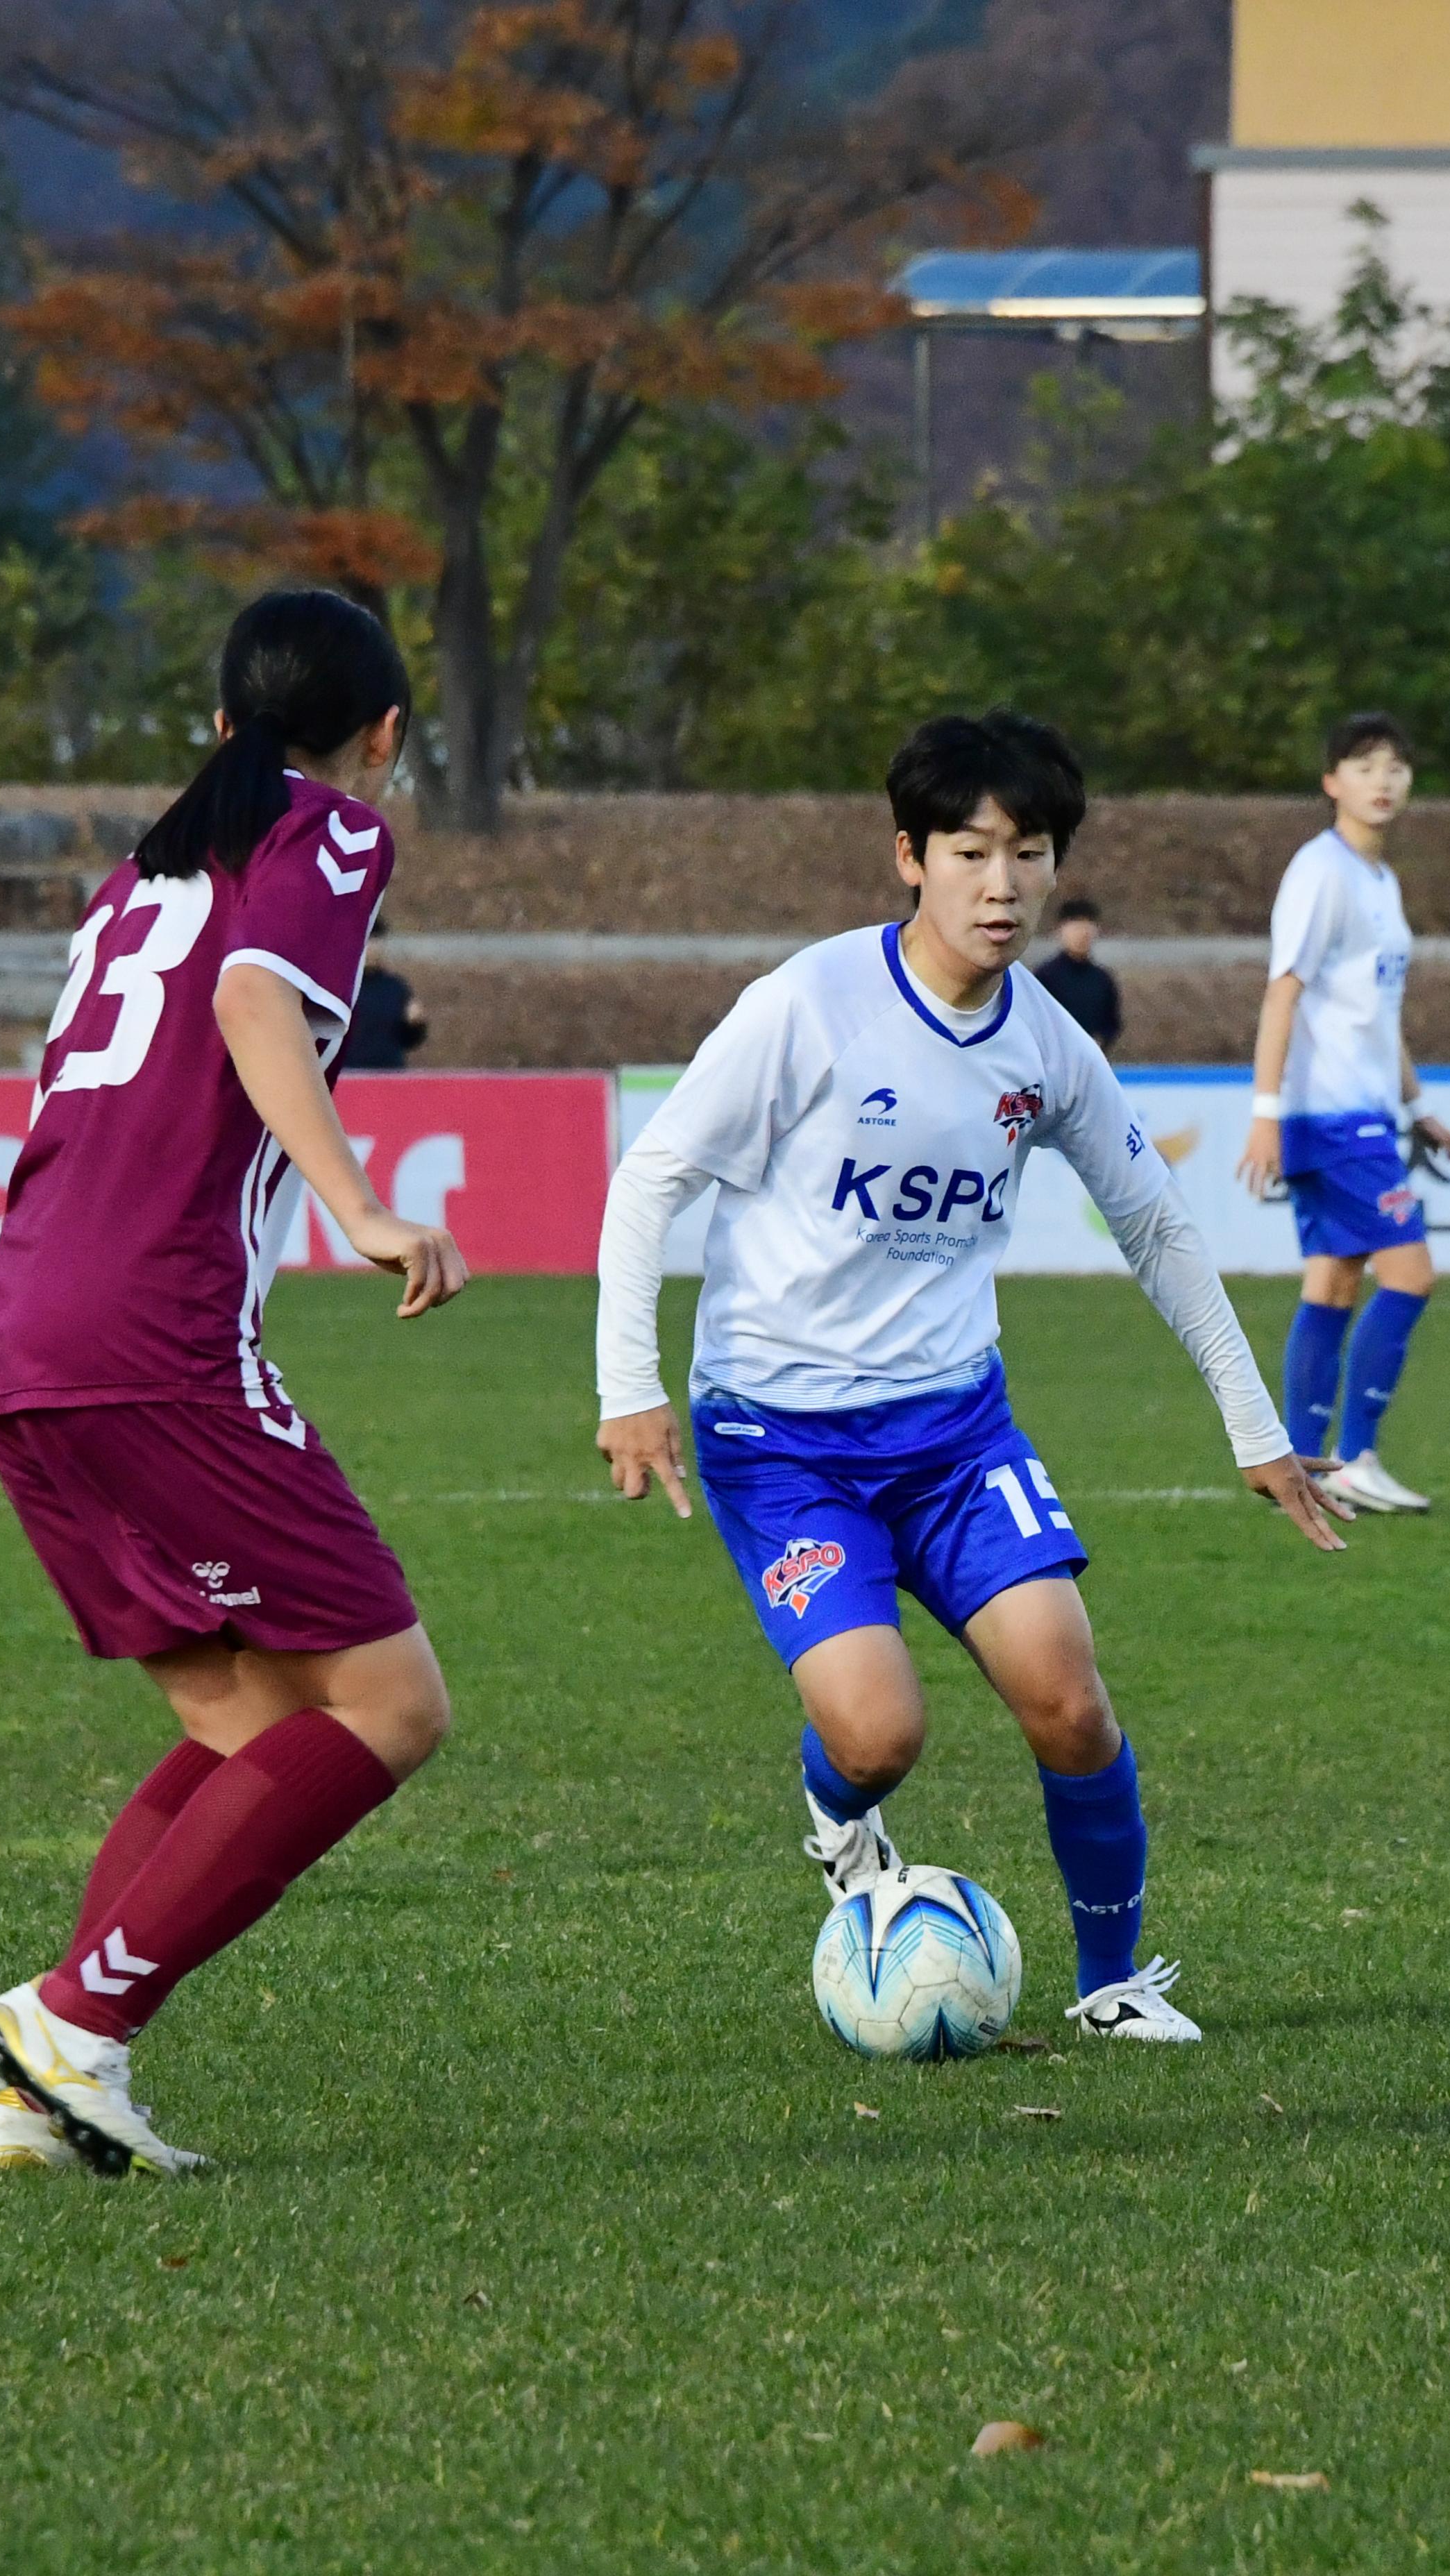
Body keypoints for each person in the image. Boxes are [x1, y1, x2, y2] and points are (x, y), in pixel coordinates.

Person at [596, 710, 1346, 2047]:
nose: (999, 884)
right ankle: (841, 1811)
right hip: (778, 1437)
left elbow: (1157, 1223)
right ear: (909, 857)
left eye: (1028, 853)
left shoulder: (1046, 1044)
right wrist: (627, 1385)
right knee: (880, 1734)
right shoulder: (806, 1004)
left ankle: (1111, 1982)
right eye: (969, 851)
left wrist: (1254, 1421)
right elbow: (653, 1175)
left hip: (952, 1430)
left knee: (1066, 1690)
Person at [0, 589, 471, 2175]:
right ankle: (75, 2021)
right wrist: (359, 1200)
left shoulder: (143, 871)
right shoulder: (325, 830)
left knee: (252, 1724)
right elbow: (256, 1003)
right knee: (390, 1704)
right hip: (155, 1344)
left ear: (222, 722)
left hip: (25, 1335)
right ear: (384, 735)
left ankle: (40, 2098)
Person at [1240, 713, 1450, 1513]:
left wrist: (1424, 1110)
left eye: (1398, 768)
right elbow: (1284, 990)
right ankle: (1359, 1455)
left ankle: (1304, 1465)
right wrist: (1265, 1113)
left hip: (1362, 1112)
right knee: (1411, 1273)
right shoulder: (1321, 871)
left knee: (1335, 1282)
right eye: (1366, 765)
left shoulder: (1380, 880)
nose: (1384, 780)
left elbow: (1377, 1018)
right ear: (1332, 780)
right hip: (1330, 1117)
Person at [1030, 897, 1121, 1053]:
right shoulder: (1044, 977)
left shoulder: (1103, 979)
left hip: (1092, 1060)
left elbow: (1111, 1023)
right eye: (1075, 928)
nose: (1082, 934)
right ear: (1060, 931)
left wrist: (1100, 1042)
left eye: (1087, 928)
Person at [337, 930, 425, 1069]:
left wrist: (415, 1024)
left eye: (375, 941)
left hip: (389, 1073)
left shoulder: (395, 987)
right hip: (349, 1073)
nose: (371, 948)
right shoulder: (342, 986)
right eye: (366, 942)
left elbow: (409, 1040)